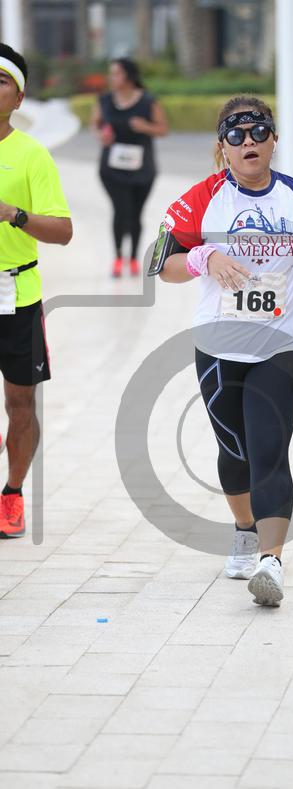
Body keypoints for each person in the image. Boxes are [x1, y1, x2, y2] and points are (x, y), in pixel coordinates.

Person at [152, 95, 293, 607]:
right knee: (234, 453)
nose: (249, 143)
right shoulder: (202, 199)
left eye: (259, 132)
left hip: (281, 344)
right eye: (236, 136)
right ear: (223, 148)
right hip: (218, 345)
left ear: (273, 139)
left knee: (268, 450)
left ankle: (271, 561)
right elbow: (162, 264)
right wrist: (204, 259)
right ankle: (243, 528)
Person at [0, 43, 72, 538]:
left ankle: (12, 494)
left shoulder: (32, 155)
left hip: (16, 294)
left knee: (20, 404)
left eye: (1, 81)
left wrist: (14, 215)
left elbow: (63, 231)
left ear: (19, 97)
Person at [91, 58, 168, 278]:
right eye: (111, 73)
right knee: (120, 210)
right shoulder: (104, 100)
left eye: (116, 73)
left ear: (129, 76)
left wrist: (145, 127)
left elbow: (163, 129)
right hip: (112, 168)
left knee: (135, 214)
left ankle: (133, 257)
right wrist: (101, 135)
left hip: (142, 169)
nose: (112, 78)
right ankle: (117, 257)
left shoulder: (148, 101)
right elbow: (95, 124)